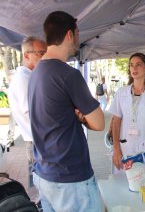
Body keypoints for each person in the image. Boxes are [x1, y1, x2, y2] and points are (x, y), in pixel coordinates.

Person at [28, 11, 105, 212]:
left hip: (44, 173)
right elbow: (99, 123)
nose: (78, 39)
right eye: (78, 34)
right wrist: (82, 117)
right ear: (70, 35)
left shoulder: (36, 73)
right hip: (70, 178)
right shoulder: (68, 74)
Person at [8, 36, 47, 204]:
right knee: (43, 189)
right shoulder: (24, 79)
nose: (45, 56)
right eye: (41, 53)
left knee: (42, 185)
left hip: (36, 139)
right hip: (37, 140)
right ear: (26, 55)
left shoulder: (29, 76)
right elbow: (34, 111)